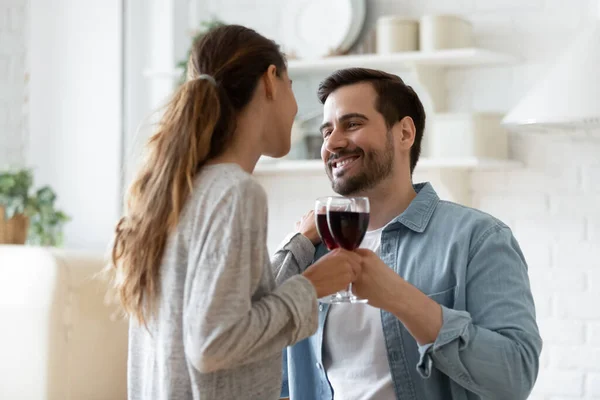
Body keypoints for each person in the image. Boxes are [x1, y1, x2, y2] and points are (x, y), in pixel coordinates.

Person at [109, 25, 362, 400]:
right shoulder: (236, 192)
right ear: (271, 81)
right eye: (293, 86)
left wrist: (300, 245)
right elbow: (215, 342)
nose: (296, 108)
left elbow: (227, 308)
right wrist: (312, 287)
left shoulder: (177, 191)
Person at [273, 68, 543, 400]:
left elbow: (514, 378)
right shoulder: (313, 249)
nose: (333, 142)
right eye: (327, 130)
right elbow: (266, 369)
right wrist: (296, 244)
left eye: (352, 124)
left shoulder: (478, 238)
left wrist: (400, 298)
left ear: (404, 133)